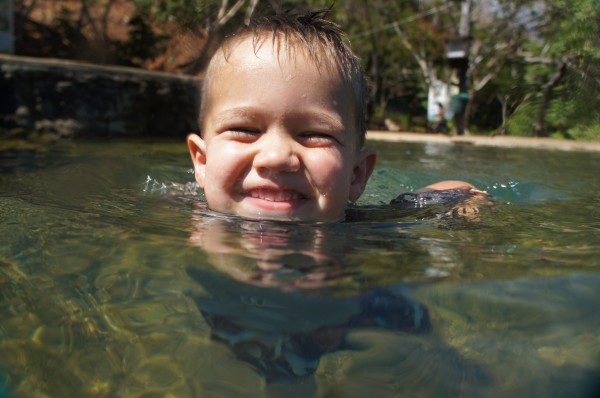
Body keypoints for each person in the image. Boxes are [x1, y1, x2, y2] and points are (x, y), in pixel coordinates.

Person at [186, 9, 485, 223]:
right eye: (245, 129)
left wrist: (469, 203)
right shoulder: (183, 212)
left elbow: (457, 188)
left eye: (316, 134)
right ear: (202, 161)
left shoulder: (363, 226)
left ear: (356, 176)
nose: (276, 156)